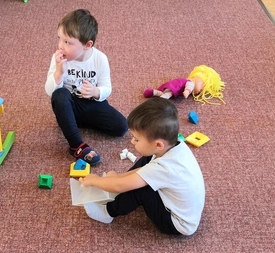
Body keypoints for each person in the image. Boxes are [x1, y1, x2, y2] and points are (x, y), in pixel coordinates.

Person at [79, 97, 205, 236]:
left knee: (142, 189)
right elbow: (144, 171)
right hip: (183, 208)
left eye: (137, 139)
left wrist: (94, 180)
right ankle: (125, 187)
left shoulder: (164, 168)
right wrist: (119, 177)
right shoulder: (175, 146)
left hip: (177, 224)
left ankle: (107, 212)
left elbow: (120, 186)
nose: (132, 142)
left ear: (158, 144)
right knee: (147, 160)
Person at [45, 9, 127, 165]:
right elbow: (51, 92)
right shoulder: (58, 59)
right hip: (70, 104)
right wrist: (59, 72)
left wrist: (96, 91)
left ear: (87, 45)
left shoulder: (100, 59)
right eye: (60, 39)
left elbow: (107, 87)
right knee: (60, 94)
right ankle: (76, 145)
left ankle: (73, 122)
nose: (61, 46)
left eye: (67, 42)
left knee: (121, 127)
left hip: (92, 104)